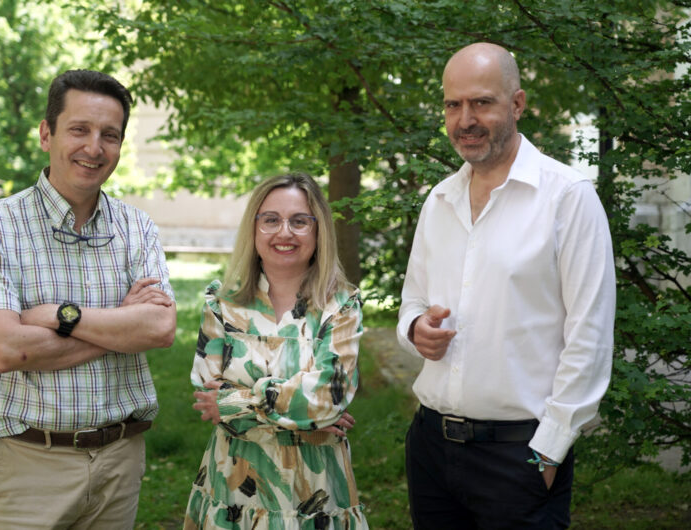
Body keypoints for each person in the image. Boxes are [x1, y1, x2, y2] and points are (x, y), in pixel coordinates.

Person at [397, 43, 616, 529]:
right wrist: (415, 329)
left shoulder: (568, 199)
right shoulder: (439, 199)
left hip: (522, 457)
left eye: (482, 103)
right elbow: (412, 299)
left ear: (516, 104)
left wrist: (549, 454)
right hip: (431, 448)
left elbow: (591, 339)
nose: (465, 119)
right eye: (453, 105)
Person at [0, 69, 177, 529]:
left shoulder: (138, 228)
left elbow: (159, 329)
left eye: (109, 135)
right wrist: (122, 325)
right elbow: (7, 350)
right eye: (79, 129)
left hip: (120, 461)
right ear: (46, 133)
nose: (94, 148)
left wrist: (60, 318)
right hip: (26, 464)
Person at [183, 173, 369, 529]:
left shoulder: (341, 306)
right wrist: (307, 416)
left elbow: (327, 399)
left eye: (300, 221)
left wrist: (236, 403)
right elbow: (208, 392)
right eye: (271, 220)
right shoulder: (222, 303)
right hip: (234, 485)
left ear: (319, 231)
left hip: (314, 491)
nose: (285, 232)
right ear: (254, 229)